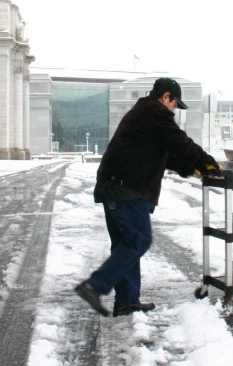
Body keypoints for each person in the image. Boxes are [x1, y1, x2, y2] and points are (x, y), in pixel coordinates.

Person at [75, 77, 220, 317]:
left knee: (126, 244)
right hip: (125, 188)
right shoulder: (154, 113)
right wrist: (210, 164)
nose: (175, 109)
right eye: (175, 104)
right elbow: (181, 143)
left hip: (117, 186)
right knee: (138, 241)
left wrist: (190, 168)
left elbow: (165, 154)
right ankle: (94, 286)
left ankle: (127, 300)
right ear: (165, 97)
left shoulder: (145, 114)